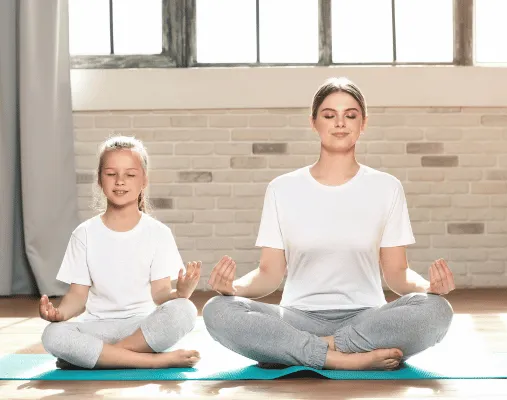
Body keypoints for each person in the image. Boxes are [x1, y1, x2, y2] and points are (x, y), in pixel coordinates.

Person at [202, 77, 456, 371]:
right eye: (329, 115)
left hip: (366, 320)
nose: (340, 123)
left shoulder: (387, 187)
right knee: (217, 310)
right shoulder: (281, 188)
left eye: (350, 115)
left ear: (363, 123)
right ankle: (344, 358)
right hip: (297, 318)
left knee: (437, 311)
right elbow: (269, 273)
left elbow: (397, 273)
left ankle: (316, 350)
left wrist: (430, 288)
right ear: (314, 123)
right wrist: (232, 287)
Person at [40, 135, 201, 370]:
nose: (120, 182)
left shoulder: (158, 233)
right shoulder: (84, 234)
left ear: (144, 180)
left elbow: (160, 295)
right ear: (99, 179)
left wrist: (181, 293)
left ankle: (100, 358)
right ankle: (153, 361)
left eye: (130, 174)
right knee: (52, 335)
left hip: (141, 329)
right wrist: (59, 313)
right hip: (98, 327)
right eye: (111, 174)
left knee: (185, 310)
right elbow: (77, 297)